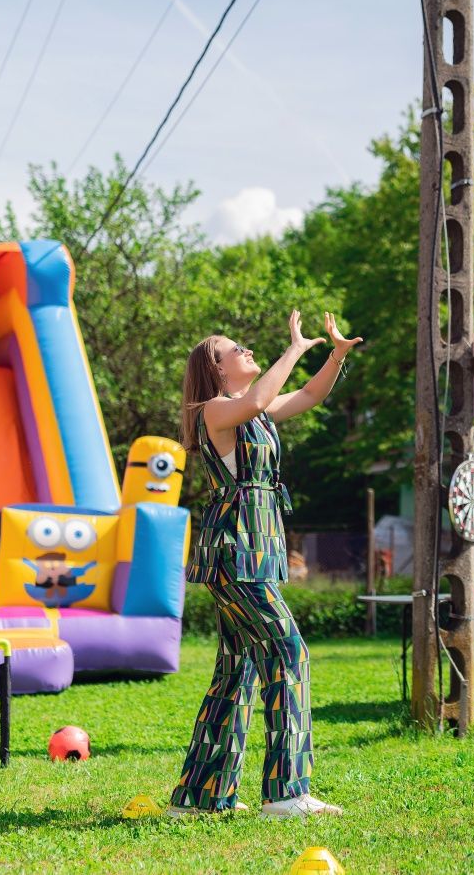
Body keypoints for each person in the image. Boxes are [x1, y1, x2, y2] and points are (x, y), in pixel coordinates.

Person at [168, 310, 362, 818]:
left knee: (237, 670)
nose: (247, 351)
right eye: (237, 349)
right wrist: (296, 347)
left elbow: (309, 397)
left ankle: (200, 799)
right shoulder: (215, 409)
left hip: (253, 552)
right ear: (217, 367)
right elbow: (258, 398)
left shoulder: (252, 412)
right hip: (237, 555)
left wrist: (336, 354)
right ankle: (286, 793)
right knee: (290, 656)